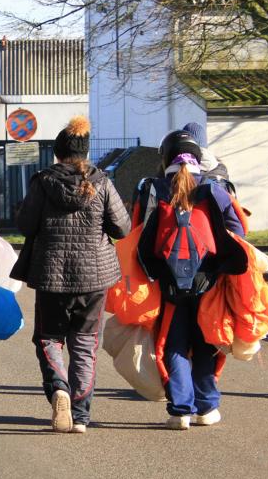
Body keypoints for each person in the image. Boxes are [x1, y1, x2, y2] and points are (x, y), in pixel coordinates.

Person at [14, 116, 131, 433]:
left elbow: (25, 226)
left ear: (57, 152)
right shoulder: (102, 182)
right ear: (85, 151)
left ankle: (59, 388)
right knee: (85, 343)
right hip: (94, 278)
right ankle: (80, 415)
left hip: (51, 275)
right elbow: (122, 228)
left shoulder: (42, 181)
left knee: (49, 338)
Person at [135, 129, 247, 430]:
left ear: (166, 158)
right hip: (209, 280)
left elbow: (138, 235)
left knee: (173, 345)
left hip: (168, 282)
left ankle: (180, 410)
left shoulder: (153, 188)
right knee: (205, 342)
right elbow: (239, 233)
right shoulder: (215, 189)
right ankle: (206, 407)